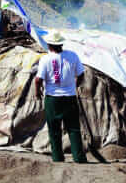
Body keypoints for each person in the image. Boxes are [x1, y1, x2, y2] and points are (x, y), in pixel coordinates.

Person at [35, 30, 88, 163]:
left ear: (50, 45)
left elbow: (38, 79)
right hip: (70, 97)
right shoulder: (72, 56)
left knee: (54, 130)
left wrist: (37, 91)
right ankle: (79, 157)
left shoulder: (45, 59)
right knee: (74, 129)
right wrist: (76, 84)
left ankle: (58, 158)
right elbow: (81, 74)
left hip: (53, 99)